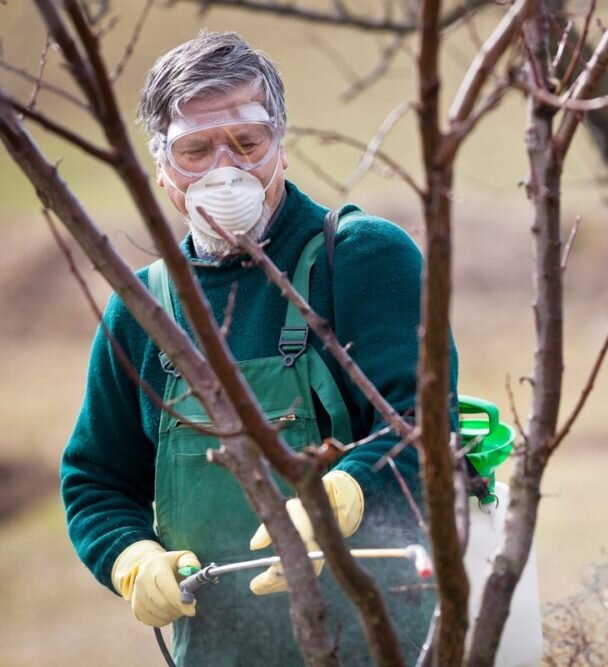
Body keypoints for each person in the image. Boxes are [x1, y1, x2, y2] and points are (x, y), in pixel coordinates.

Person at [60, 31, 454, 666]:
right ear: (161, 170)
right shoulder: (144, 307)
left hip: (374, 642)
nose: (225, 170)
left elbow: (423, 426)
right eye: (195, 150)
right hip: (218, 651)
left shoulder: (358, 258)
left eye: (247, 143)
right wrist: (129, 558)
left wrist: (344, 497)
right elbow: (96, 480)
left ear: (281, 149)